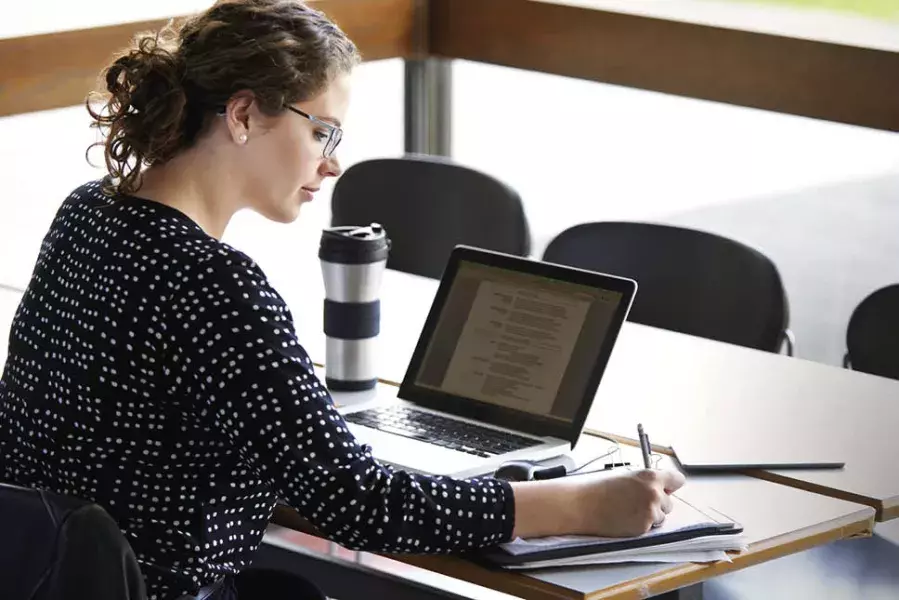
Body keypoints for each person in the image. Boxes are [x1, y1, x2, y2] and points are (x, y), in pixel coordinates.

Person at [0, 1, 685, 598]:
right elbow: (362, 505)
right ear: (242, 114)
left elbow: (124, 435)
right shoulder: (213, 285)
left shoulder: (90, 213)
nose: (331, 163)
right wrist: (579, 503)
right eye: (320, 131)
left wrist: (293, 467)